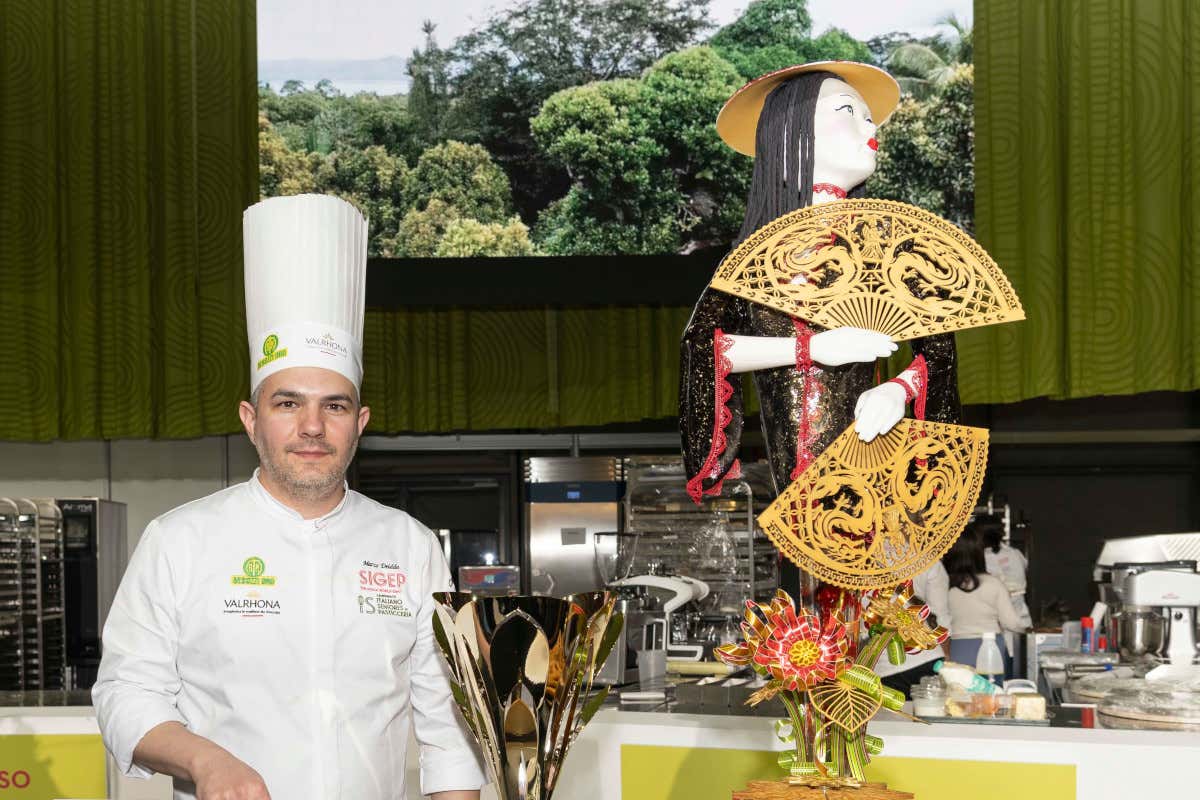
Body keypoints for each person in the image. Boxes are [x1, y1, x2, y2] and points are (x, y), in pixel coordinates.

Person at [92, 195, 485, 800]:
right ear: (251, 420)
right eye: (287, 403)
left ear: (360, 423)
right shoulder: (180, 540)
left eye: (335, 406)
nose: (312, 427)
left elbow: (447, 720)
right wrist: (205, 762)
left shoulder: (409, 544)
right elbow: (125, 693)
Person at [944, 522, 1027, 673]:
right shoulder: (992, 584)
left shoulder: (944, 585)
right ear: (978, 553)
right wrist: (1028, 628)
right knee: (991, 687)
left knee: (958, 687)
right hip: (991, 648)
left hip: (956, 648)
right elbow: (1012, 622)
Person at [875, 562, 953, 698]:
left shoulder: (855, 582)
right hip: (930, 657)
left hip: (889, 668)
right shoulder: (928, 560)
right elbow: (940, 616)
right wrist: (946, 658)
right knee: (931, 709)